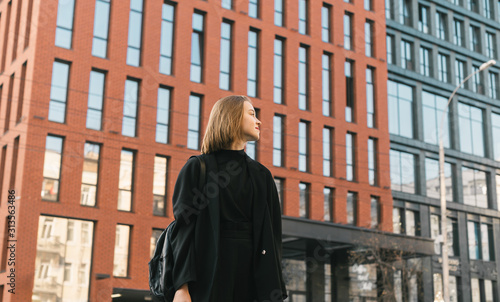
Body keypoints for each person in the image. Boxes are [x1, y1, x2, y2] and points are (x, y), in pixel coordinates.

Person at [170, 95, 287, 302]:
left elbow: (273, 237)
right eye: (251, 114)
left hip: (253, 281)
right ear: (231, 118)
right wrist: (181, 287)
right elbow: (183, 232)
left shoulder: (262, 175)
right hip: (207, 279)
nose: (258, 121)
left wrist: (274, 290)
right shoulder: (197, 168)